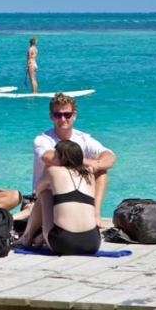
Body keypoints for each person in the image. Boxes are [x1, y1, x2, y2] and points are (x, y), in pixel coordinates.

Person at [32, 93, 116, 227]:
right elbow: (49, 158)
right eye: (58, 115)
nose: (63, 119)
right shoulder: (42, 139)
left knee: (101, 169)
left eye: (67, 115)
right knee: (52, 168)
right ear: (51, 117)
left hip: (74, 192)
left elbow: (110, 157)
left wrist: (95, 165)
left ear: (74, 116)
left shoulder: (83, 138)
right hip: (46, 195)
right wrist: (85, 162)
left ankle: (95, 213)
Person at [15, 141, 100, 255]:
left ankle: (27, 237)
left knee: (45, 194)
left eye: (55, 156)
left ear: (63, 158)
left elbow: (38, 191)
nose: (52, 159)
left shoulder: (53, 171)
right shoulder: (89, 175)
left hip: (63, 243)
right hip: (93, 242)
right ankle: (41, 238)